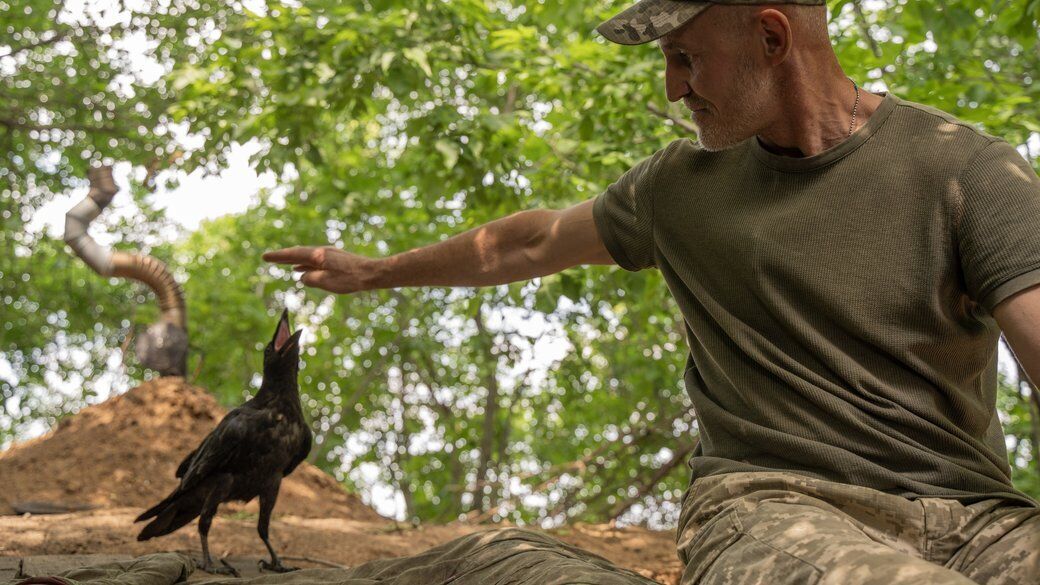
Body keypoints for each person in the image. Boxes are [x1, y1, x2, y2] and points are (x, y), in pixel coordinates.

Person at [264, 0, 1040, 583]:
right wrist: (374, 271)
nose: (674, 90)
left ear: (772, 38)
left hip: (978, 519)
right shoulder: (678, 188)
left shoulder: (964, 170)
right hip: (775, 509)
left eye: (686, 59)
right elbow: (529, 242)